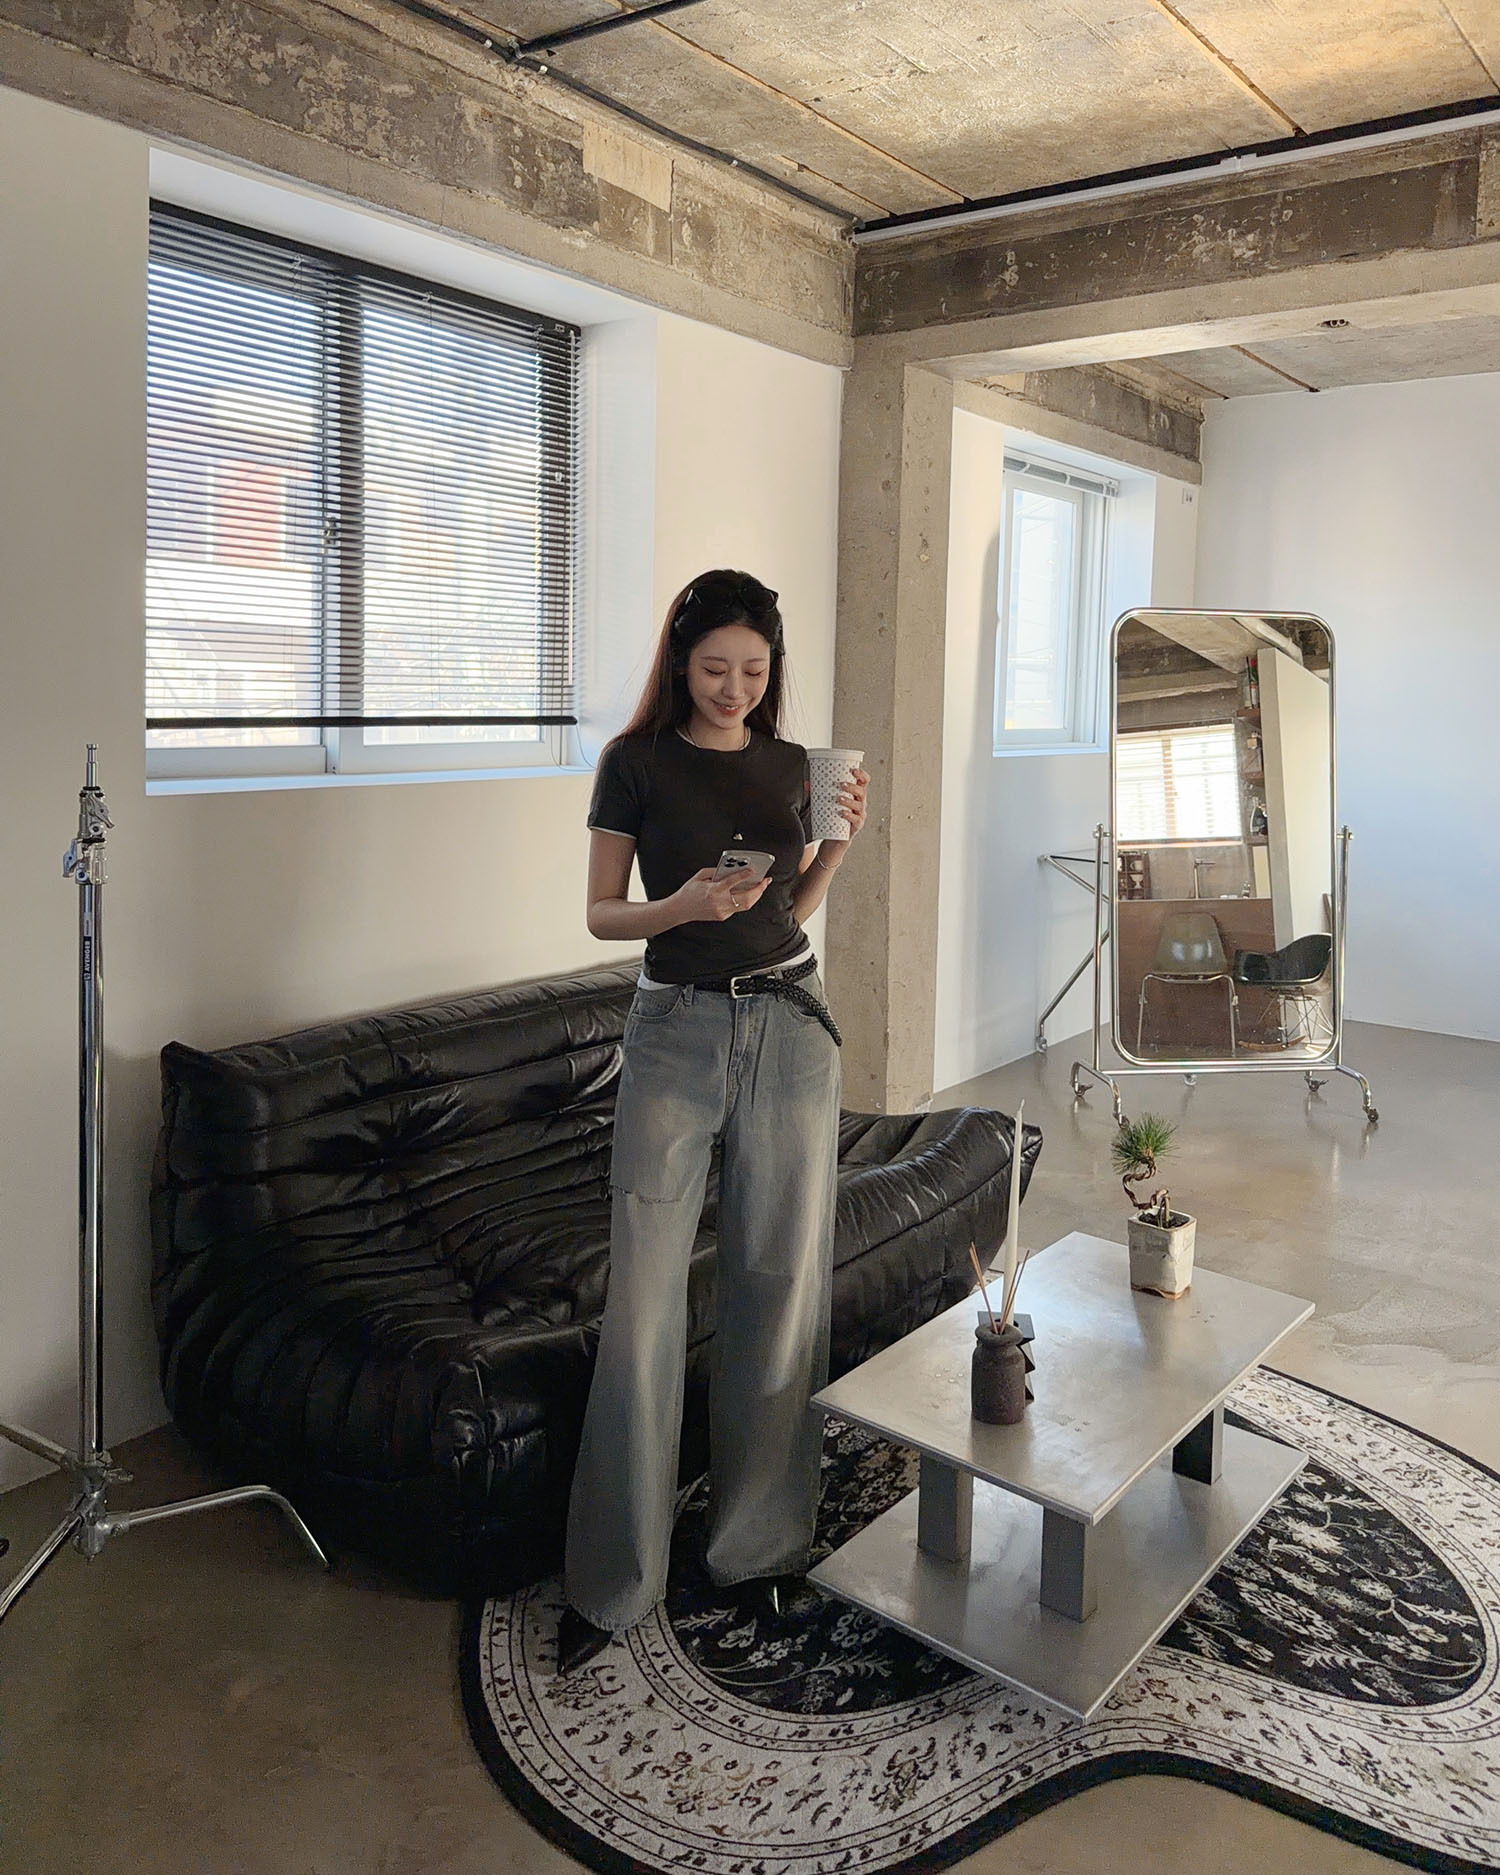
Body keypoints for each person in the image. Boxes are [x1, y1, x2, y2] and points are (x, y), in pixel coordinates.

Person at [557, 568, 869, 1674]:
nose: (735, 688)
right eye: (714, 669)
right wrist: (680, 906)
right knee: (644, 1299)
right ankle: (615, 1576)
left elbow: (788, 908)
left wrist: (835, 848)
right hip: (675, 1033)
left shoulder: (791, 765)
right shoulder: (634, 762)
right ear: (680, 664)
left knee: (779, 1285)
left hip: (789, 1023)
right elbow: (602, 913)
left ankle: (759, 1547)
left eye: (753, 669)